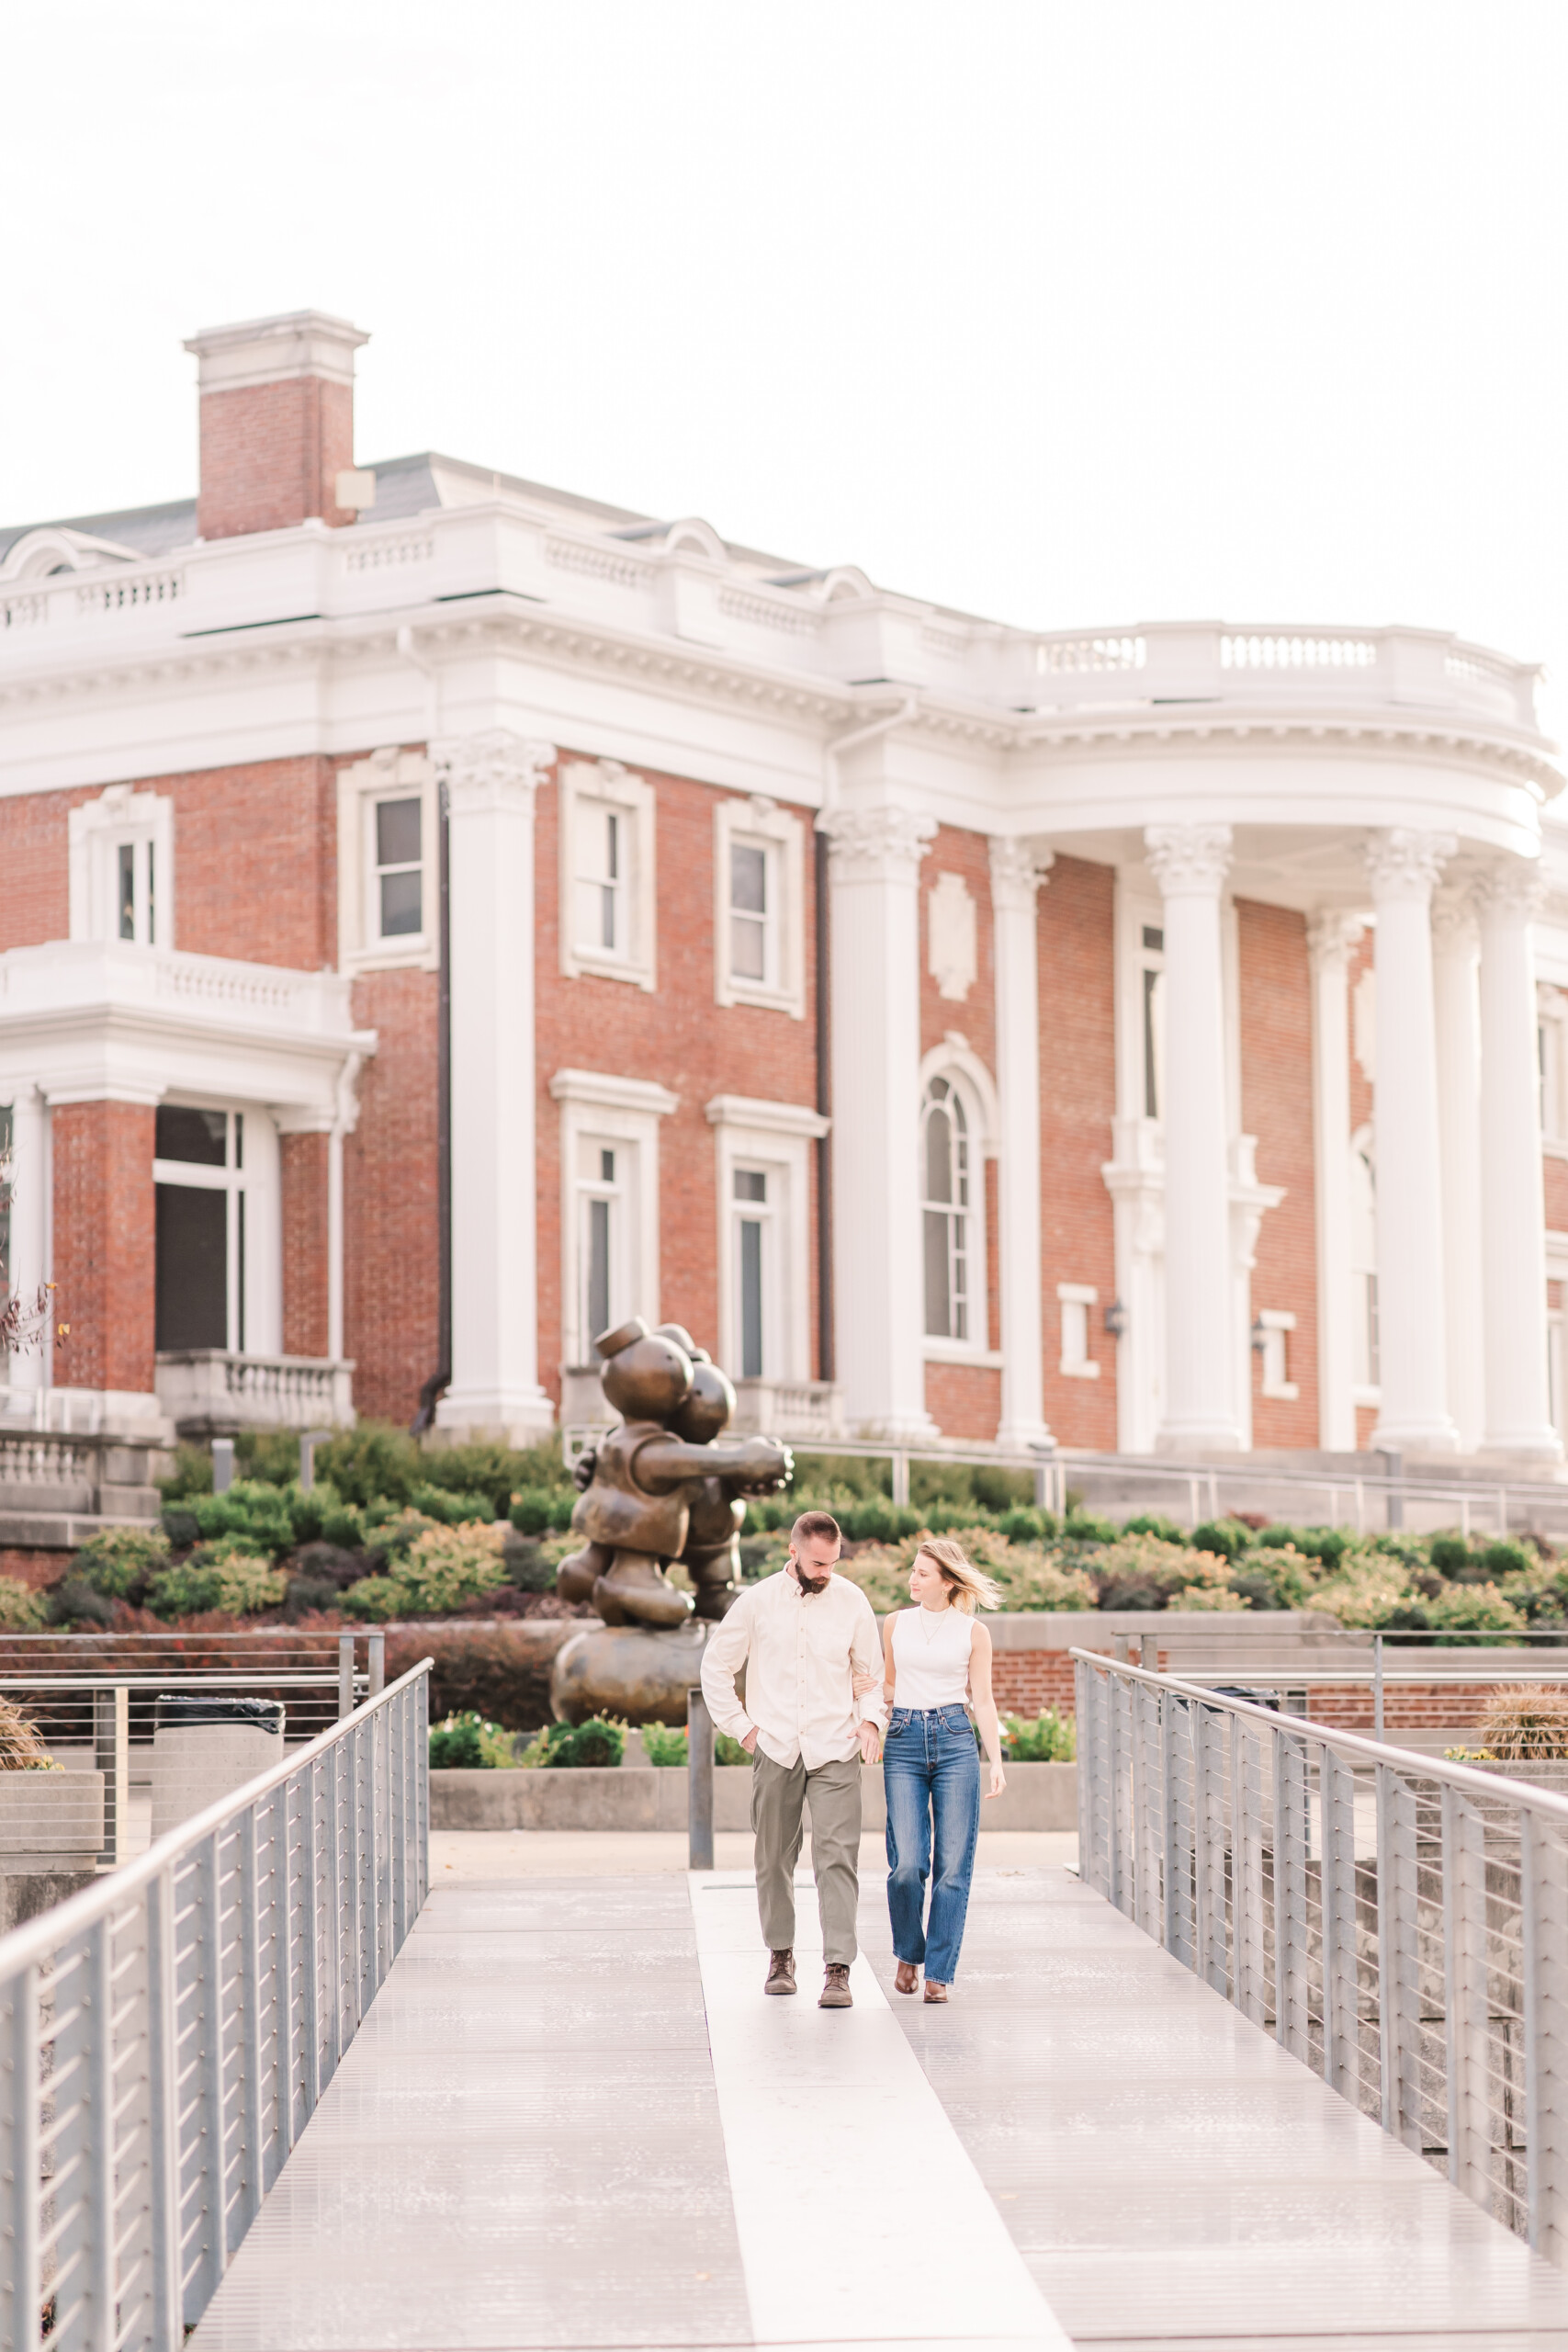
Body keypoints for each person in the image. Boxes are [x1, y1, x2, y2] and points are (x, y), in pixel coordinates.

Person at [700, 1510, 885, 2008]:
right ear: (794, 1551)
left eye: (832, 1563)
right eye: (817, 1563)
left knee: (837, 1859)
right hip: (775, 1747)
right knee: (772, 1858)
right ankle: (780, 1955)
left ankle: (838, 1969)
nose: (826, 1572)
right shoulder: (756, 1602)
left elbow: (872, 1674)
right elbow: (715, 1668)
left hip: (835, 1746)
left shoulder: (852, 1602)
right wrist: (743, 1730)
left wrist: (870, 1721)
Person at [870, 1536, 1007, 2005]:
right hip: (905, 1739)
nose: (912, 1578)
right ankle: (909, 1952)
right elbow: (886, 1686)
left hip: (955, 1740)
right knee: (907, 1864)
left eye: (922, 1573)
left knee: (953, 1867)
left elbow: (983, 1700)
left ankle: (939, 1973)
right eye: (912, 1570)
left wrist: (996, 1761)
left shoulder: (973, 1633)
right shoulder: (894, 1624)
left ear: (947, 1582)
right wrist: (871, 1724)